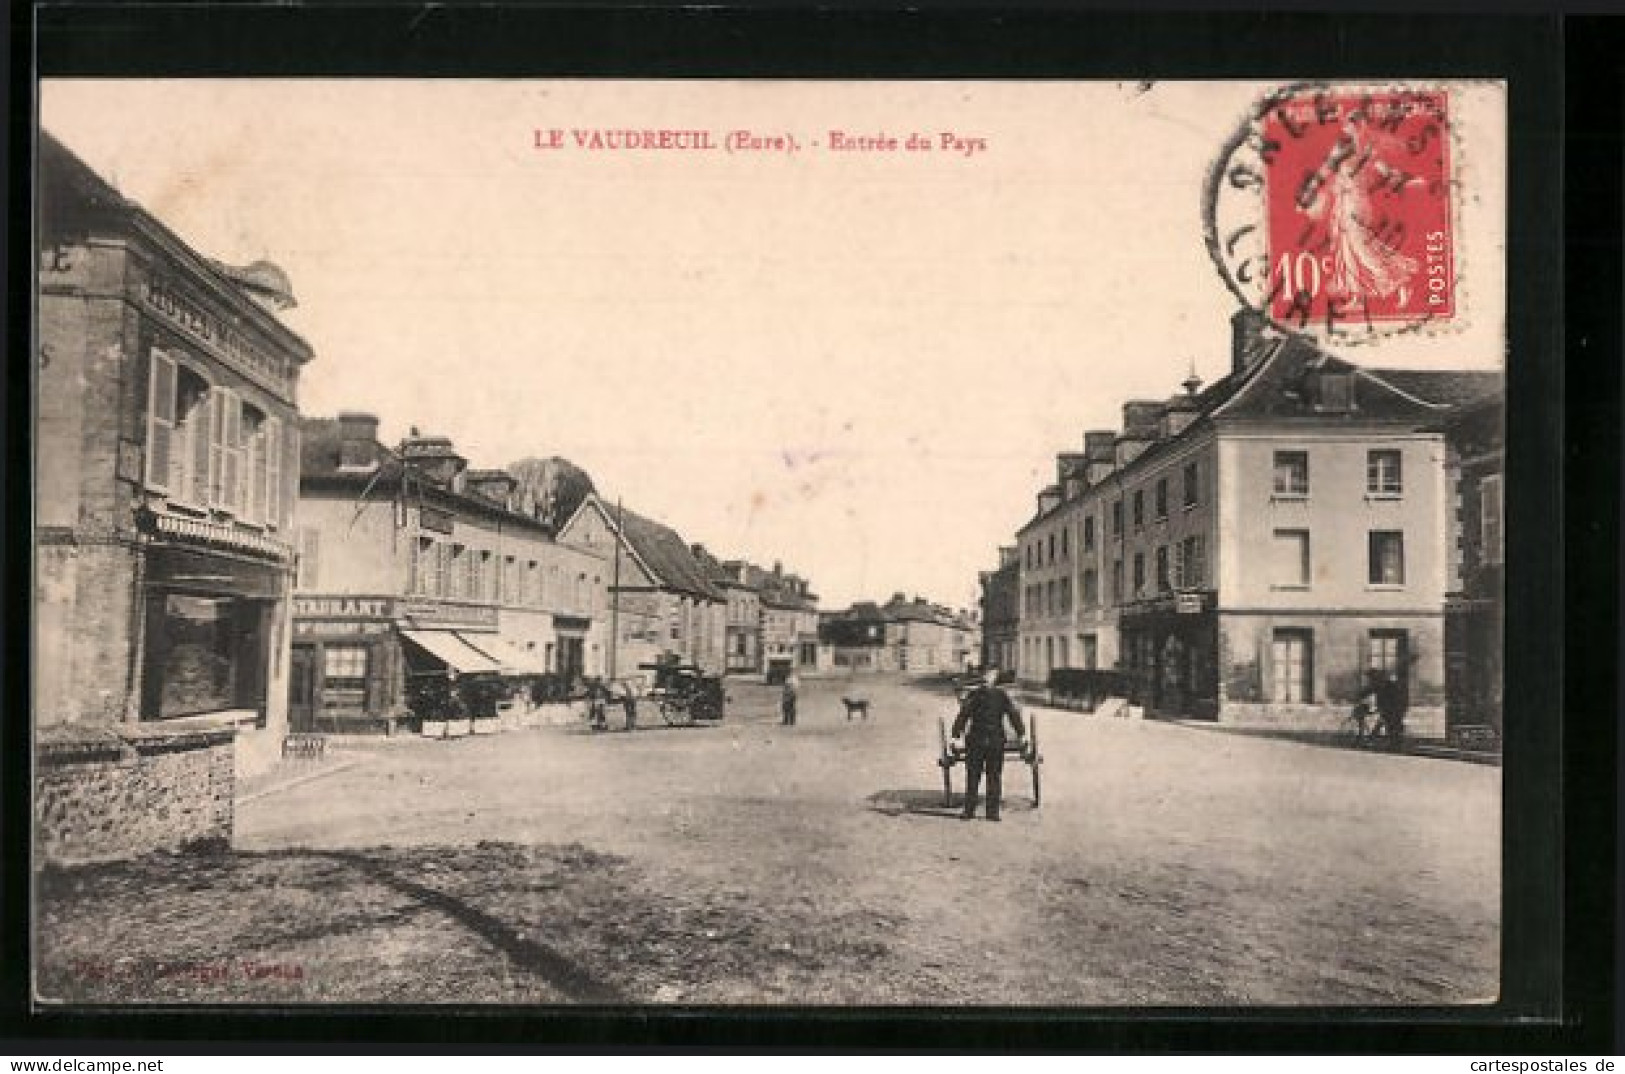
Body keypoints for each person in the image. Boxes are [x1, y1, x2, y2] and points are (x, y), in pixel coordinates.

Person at [951, 666, 1026, 821]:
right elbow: (963, 715)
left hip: (995, 741)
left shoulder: (1001, 695)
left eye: (991, 675)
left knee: (994, 776)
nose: (987, 678)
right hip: (976, 740)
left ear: (995, 677)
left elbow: (1013, 715)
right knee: (973, 776)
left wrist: (1022, 734)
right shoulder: (974, 695)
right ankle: (968, 811)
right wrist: (955, 736)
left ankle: (992, 812)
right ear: (982, 677)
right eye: (985, 675)